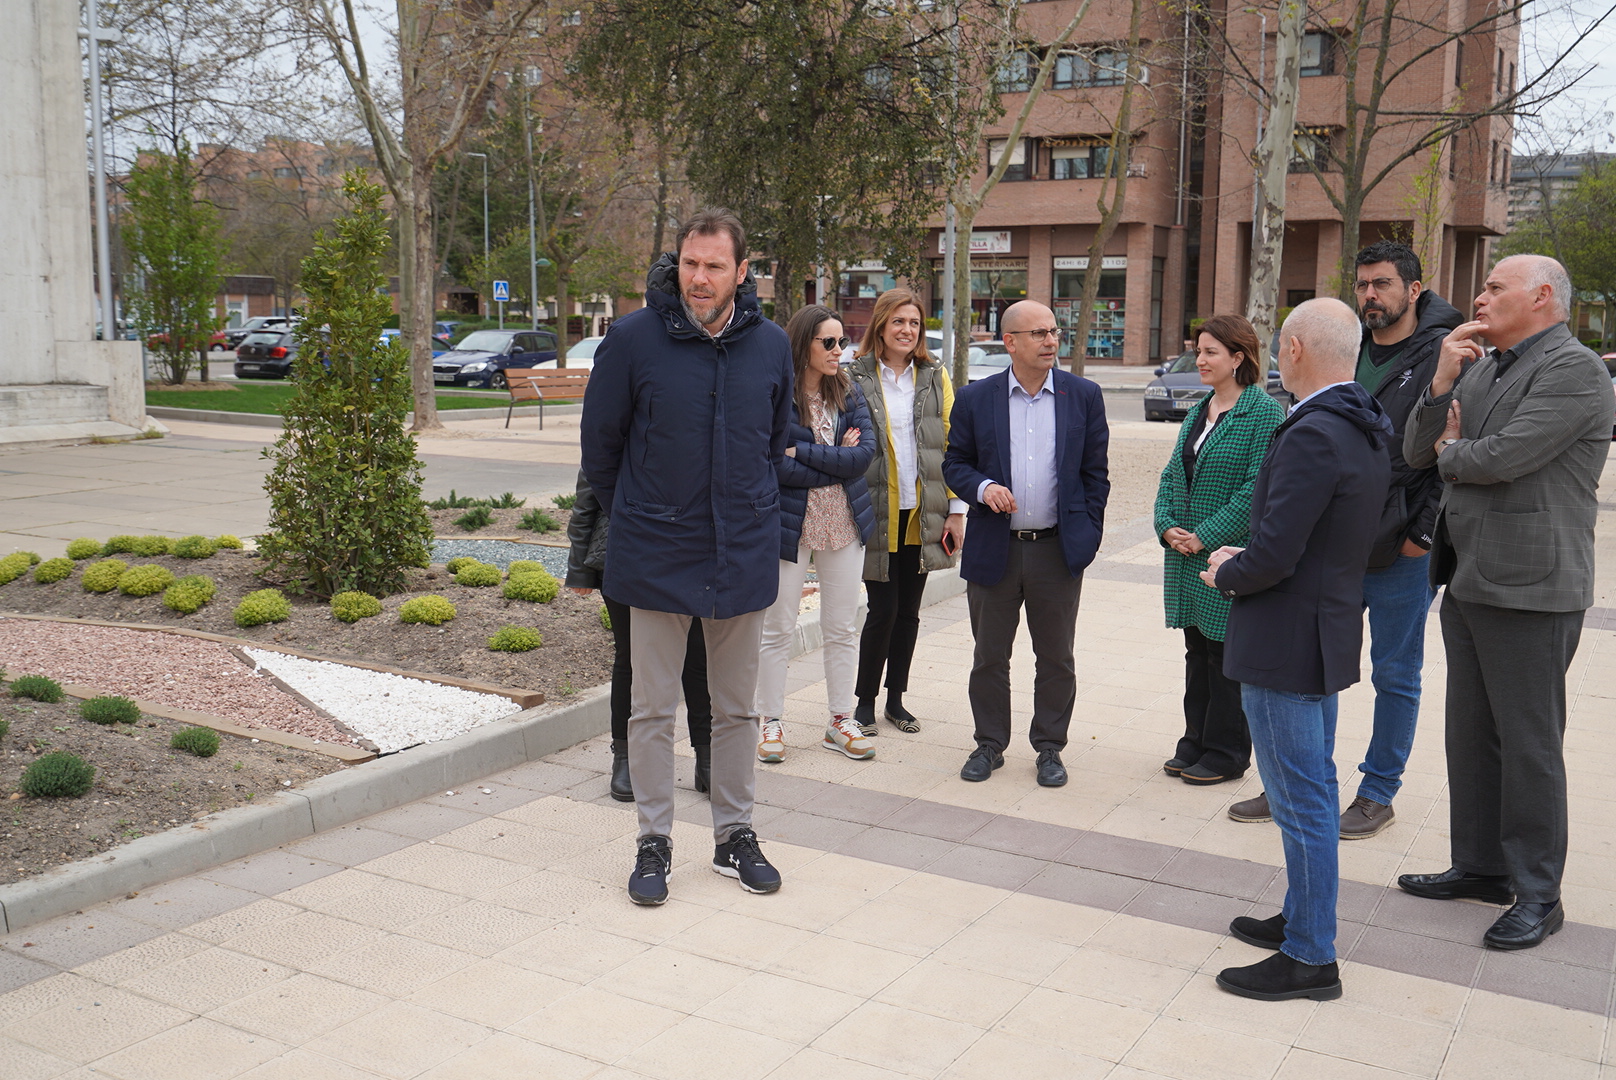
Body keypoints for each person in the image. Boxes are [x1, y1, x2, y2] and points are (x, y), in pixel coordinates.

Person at [1398, 254, 1613, 950]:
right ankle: (1482, 867)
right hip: (1468, 576)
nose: (1480, 297)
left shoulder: (1575, 370)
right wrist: (1440, 384)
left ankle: (1539, 892)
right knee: (1471, 734)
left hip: (1531, 587)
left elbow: (1501, 457)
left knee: (1528, 744)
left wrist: (1455, 447)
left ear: (1542, 295)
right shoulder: (1483, 366)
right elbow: (1418, 452)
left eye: (1495, 287)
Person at [581, 208, 792, 906]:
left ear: (741, 271)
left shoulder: (771, 345)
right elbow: (601, 450)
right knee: (651, 711)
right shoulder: (632, 339)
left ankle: (734, 837)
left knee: (736, 710)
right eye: (690, 264)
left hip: (742, 554)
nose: (699, 278)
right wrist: (643, 514)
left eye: (714, 266)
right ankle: (654, 842)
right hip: (655, 554)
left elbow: (771, 446)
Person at [1228, 242, 1463, 833]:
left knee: (1395, 674)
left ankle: (1378, 792)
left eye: (1382, 284)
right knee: (1314, 663)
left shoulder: (1444, 353)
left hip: (1400, 548)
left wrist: (1423, 532)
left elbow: (1448, 448)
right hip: (1334, 546)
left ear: (1414, 290)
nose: (1369, 295)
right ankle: (1303, 782)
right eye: (1362, 285)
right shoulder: (1345, 346)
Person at [1203, 298, 1392, 1001]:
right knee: (1310, 787)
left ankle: (1311, 955)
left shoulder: (1314, 431)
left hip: (1286, 639)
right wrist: (1251, 555)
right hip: (1322, 627)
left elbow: (1279, 553)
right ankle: (1301, 916)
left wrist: (1228, 572)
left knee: (1301, 798)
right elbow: (1322, 537)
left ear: (1296, 350)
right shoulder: (1362, 423)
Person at [942, 300, 1109, 786]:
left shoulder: (1083, 396)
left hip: (1057, 551)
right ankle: (989, 744)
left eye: (1053, 331)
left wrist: (1087, 536)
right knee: (989, 656)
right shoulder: (976, 398)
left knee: (1056, 658)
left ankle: (1050, 747)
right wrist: (982, 488)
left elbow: (1095, 476)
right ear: (1010, 342)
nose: (1051, 341)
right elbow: (954, 463)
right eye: (1038, 333)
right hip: (994, 549)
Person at [1154, 315, 1285, 786]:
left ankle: (1227, 752)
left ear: (1238, 357)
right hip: (1187, 556)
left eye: (1211, 352)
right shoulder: (1199, 411)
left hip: (1225, 555)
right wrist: (1166, 526)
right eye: (1199, 351)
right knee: (1197, 650)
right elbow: (1172, 473)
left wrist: (1204, 535)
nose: (1201, 360)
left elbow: (1256, 490)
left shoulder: (1264, 413)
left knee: (1225, 655)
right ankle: (1196, 740)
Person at [754, 305, 878, 763]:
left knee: (842, 627)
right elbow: (773, 463)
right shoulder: (776, 393)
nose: (838, 350)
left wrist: (804, 452)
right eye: (828, 342)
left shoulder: (849, 389)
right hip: (790, 525)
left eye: (842, 341)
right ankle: (770, 721)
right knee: (777, 628)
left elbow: (863, 457)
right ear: (802, 343)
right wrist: (832, 458)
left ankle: (840, 720)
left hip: (845, 521)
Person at [847, 288, 965, 735]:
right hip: (876, 510)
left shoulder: (934, 375)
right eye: (898, 321)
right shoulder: (855, 375)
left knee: (909, 613)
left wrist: (956, 509)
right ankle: (864, 702)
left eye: (914, 322)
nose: (907, 330)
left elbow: (953, 442)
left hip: (923, 512)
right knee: (883, 610)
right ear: (880, 325)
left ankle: (896, 700)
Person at [564, 469, 713, 801]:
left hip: (688, 549)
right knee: (631, 656)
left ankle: (707, 757)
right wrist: (580, 568)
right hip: (624, 552)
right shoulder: (618, 432)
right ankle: (626, 757)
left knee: (697, 654)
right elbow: (589, 490)